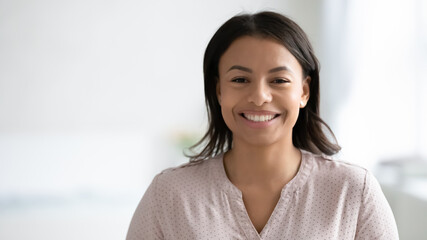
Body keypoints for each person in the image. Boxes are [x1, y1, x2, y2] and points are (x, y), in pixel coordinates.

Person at [126, 11, 399, 239]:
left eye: (279, 80)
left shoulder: (353, 191)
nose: (259, 97)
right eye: (240, 80)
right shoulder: (170, 194)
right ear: (219, 90)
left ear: (304, 92)